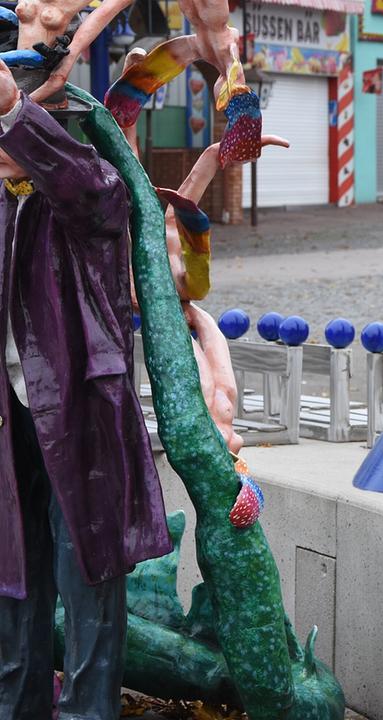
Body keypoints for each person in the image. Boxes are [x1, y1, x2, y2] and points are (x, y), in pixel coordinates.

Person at [0, 56, 171, 718]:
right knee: (15, 578)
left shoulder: (92, 190)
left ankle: (87, 712)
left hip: (79, 416)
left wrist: (16, 112)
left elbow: (80, 187)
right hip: (12, 422)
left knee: (89, 572)